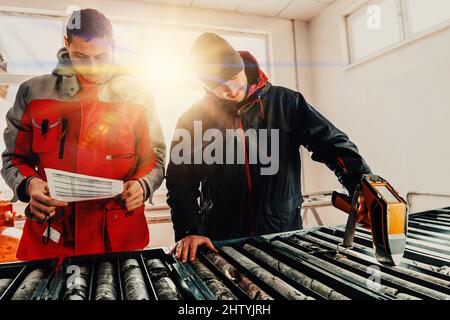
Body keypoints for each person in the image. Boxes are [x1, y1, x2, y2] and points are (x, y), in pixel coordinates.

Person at [167, 33, 372, 262]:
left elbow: (331, 144)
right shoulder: (192, 120)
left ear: (242, 67)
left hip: (282, 234)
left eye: (234, 76)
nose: (231, 89)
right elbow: (179, 182)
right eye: (218, 86)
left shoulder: (287, 102)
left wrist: (363, 184)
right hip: (222, 240)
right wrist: (190, 231)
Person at [1, 9, 165, 260]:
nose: (91, 67)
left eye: (101, 57)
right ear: (66, 44)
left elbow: (154, 157)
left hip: (118, 241)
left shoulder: (138, 95)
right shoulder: (33, 92)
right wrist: (29, 184)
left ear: (113, 46)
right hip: (52, 239)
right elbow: (13, 158)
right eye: (80, 56)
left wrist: (142, 185)